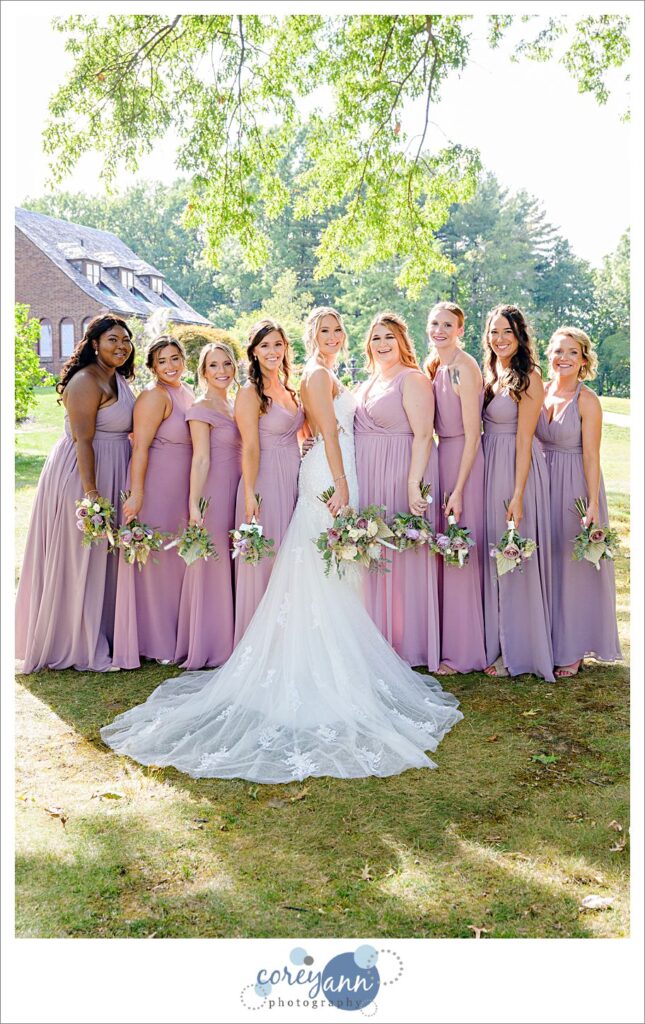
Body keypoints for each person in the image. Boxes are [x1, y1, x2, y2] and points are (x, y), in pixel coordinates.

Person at [100, 306, 463, 783]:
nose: (332, 336)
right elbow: (321, 432)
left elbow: (312, 428)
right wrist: (338, 479)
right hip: (331, 475)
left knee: (326, 564)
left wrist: (320, 457)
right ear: (307, 339)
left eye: (338, 329)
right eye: (323, 330)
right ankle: (321, 663)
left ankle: (345, 651)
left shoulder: (307, 380)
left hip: (322, 468)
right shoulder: (311, 375)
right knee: (317, 563)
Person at [15, 314, 135, 673]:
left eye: (126, 340)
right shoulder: (86, 380)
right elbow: (84, 440)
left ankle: (103, 631)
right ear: (94, 343)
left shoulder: (116, 378)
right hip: (84, 473)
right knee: (80, 556)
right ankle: (75, 642)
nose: (121, 346)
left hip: (114, 468)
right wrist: (91, 494)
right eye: (113, 339)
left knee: (103, 558)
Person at [354, 312, 440, 670]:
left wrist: (411, 482)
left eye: (389, 337)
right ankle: (377, 635)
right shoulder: (369, 381)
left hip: (401, 471)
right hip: (369, 475)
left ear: (403, 341)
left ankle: (410, 642)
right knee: (375, 553)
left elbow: (423, 435)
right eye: (376, 338)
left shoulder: (412, 379)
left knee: (402, 554)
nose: (383, 344)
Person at [536, 326, 621, 677]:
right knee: (546, 559)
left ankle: (573, 648)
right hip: (542, 482)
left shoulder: (587, 400)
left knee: (574, 566)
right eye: (557, 351)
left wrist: (593, 505)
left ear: (584, 359)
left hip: (574, 484)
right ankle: (547, 638)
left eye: (571, 352)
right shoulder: (538, 392)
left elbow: (591, 457)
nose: (563, 358)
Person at [481, 305, 554, 681]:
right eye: (494, 332)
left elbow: (525, 439)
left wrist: (519, 493)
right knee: (495, 555)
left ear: (520, 335)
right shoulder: (492, 373)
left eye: (507, 332)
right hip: (489, 467)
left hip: (515, 469)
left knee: (513, 555)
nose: (500, 339)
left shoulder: (530, 378)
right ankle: (495, 641)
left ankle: (517, 652)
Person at [112, 336, 194, 667]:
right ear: (152, 367)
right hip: (158, 487)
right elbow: (140, 448)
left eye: (176, 358)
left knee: (176, 562)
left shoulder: (186, 392)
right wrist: (138, 492)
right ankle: (155, 640)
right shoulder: (153, 397)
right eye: (163, 361)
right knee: (156, 563)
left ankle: (176, 634)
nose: (171, 366)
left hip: (182, 489)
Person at [232, 319, 305, 644]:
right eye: (265, 345)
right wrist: (249, 492)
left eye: (277, 344)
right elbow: (249, 446)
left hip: (294, 478)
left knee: (291, 556)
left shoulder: (290, 389)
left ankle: (288, 634)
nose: (272, 351)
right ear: (254, 352)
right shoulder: (250, 393)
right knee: (266, 557)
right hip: (264, 480)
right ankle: (258, 641)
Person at [426, 302, 487, 674]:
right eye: (434, 323)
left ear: (460, 330)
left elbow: (473, 435)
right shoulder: (434, 365)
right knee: (444, 549)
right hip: (440, 459)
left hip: (463, 461)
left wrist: (460, 488)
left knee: (460, 548)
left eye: (448, 325)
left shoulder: (464, 368)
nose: (440, 330)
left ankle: (464, 653)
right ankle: (444, 638)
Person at [174, 343, 242, 669]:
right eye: (213, 366)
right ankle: (210, 643)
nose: (222, 371)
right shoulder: (201, 408)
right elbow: (200, 458)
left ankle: (234, 636)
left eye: (226, 364)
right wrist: (194, 504)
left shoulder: (233, 403)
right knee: (212, 564)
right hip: (214, 491)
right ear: (203, 372)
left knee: (235, 561)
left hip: (239, 490)